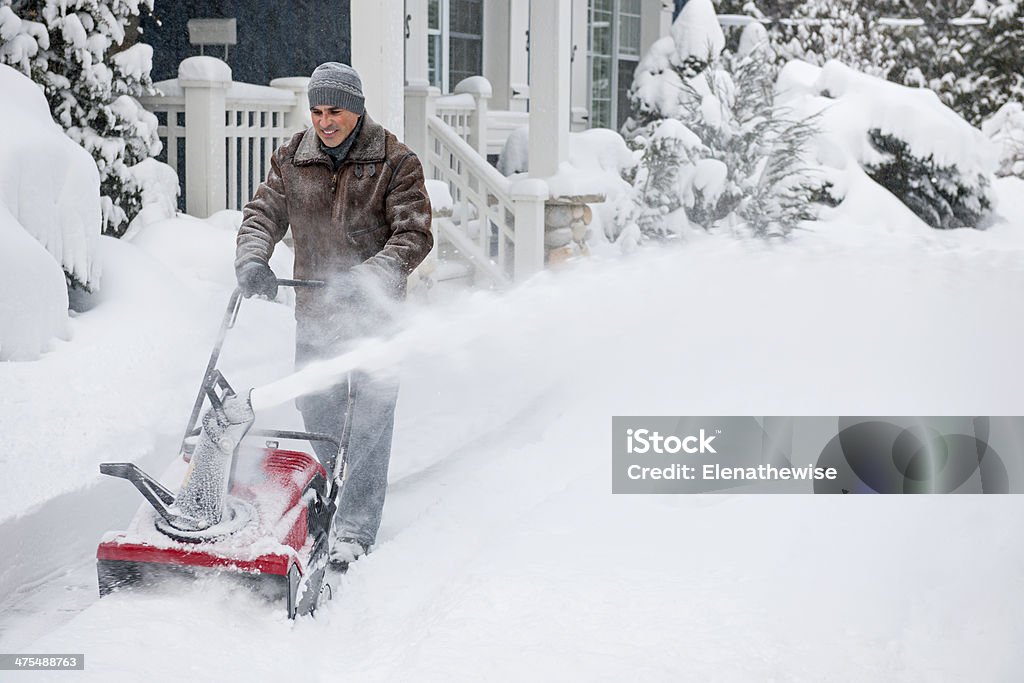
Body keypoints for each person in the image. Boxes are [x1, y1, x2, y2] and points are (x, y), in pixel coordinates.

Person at [234, 62, 433, 567]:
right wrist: (254, 259)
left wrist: (369, 276)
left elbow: (414, 234)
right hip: (317, 313)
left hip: (376, 320)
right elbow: (262, 214)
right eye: (317, 111)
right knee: (317, 413)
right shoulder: (292, 159)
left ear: (358, 108)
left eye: (335, 111)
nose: (324, 122)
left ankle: (354, 529)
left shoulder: (394, 161)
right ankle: (336, 488)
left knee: (369, 422)